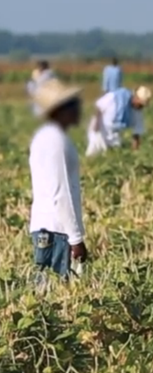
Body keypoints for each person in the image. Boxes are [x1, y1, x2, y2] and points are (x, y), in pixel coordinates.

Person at [29, 78, 88, 286]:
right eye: (73, 105)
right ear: (60, 110)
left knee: (47, 292)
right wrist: (75, 239)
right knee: (53, 292)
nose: (79, 109)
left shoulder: (49, 137)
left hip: (52, 228)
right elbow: (59, 192)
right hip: (55, 230)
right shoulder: (54, 141)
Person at [86, 86, 153, 156]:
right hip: (99, 129)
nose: (141, 107)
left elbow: (137, 133)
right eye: (140, 104)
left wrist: (135, 152)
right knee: (93, 153)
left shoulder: (137, 111)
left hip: (114, 134)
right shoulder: (116, 97)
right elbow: (99, 107)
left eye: (142, 105)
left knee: (113, 155)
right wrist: (96, 124)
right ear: (135, 98)